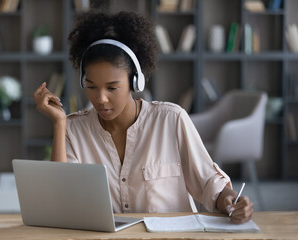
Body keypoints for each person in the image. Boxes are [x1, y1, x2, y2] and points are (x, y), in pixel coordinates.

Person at [34, 11, 253, 224]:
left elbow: (209, 182)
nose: (100, 99)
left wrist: (230, 201)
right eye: (91, 87)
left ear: (135, 82)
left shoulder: (171, 120)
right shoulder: (74, 129)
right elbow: (60, 200)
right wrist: (59, 123)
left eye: (112, 88)